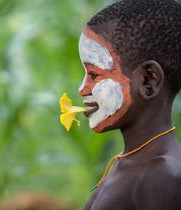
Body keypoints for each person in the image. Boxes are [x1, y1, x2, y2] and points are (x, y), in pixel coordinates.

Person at [78, 0, 181, 209]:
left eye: (94, 75)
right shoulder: (128, 163)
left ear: (148, 80)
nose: (82, 89)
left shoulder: (163, 178)